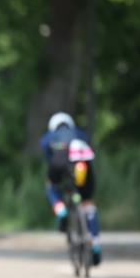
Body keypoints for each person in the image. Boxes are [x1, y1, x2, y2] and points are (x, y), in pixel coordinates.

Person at [41, 112, 102, 265]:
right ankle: (95, 244)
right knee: (87, 202)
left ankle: (61, 210)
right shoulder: (80, 133)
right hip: (82, 166)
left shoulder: (49, 137)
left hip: (59, 164)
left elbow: (49, 158)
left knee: (52, 186)